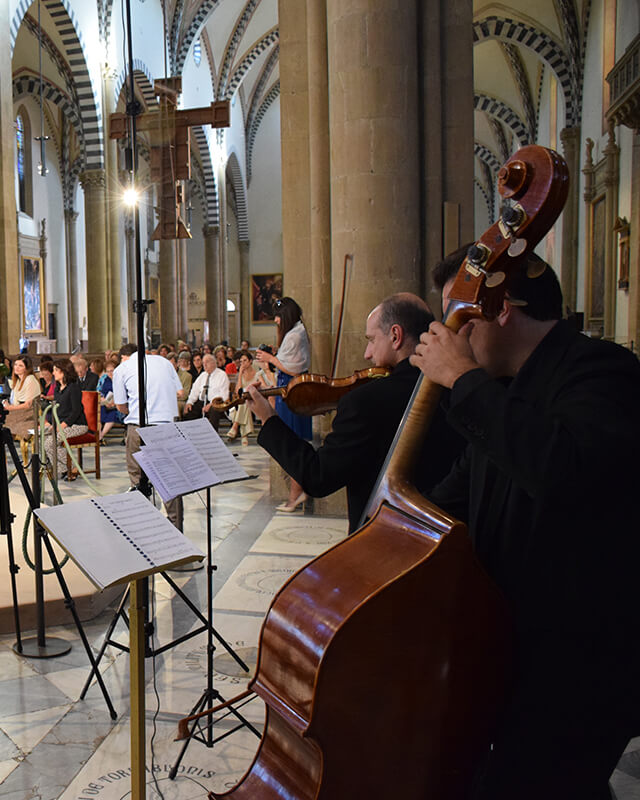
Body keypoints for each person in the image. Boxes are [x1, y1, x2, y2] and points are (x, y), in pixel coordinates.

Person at [411, 253, 640, 799]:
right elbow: (452, 500)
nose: (448, 336)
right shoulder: (508, 392)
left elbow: (559, 468)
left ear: (500, 310)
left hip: (580, 664)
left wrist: (462, 377)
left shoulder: (603, 371)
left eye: (456, 320)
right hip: (516, 653)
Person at [248, 294, 462, 530]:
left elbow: (318, 477)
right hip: (447, 534)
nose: (367, 354)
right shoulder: (454, 388)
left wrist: (268, 419)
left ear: (395, 336)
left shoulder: (366, 401)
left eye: (371, 340)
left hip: (383, 537)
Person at [113, 342, 185, 529]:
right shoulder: (164, 362)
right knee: (170, 479)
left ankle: (144, 527)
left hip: (138, 426)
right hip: (167, 426)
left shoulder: (123, 369)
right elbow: (180, 391)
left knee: (137, 478)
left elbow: (120, 406)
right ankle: (175, 527)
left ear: (124, 357)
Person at [254, 296, 311, 509]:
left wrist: (270, 359)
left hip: (291, 389)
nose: (276, 321)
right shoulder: (295, 332)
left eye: (277, 317)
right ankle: (296, 493)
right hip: (288, 387)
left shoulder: (295, 335)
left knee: (292, 441)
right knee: (290, 440)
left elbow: (293, 367)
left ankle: (296, 494)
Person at [44, 358, 88, 480]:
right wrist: (51, 424)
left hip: (77, 425)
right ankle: (64, 469)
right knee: (41, 438)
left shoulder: (73, 388)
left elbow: (76, 411)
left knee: (50, 443)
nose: (53, 373)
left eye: (56, 370)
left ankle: (73, 467)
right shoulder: (58, 388)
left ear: (64, 371)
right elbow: (58, 411)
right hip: (62, 424)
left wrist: (63, 425)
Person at [225, 350, 272, 443]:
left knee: (246, 401)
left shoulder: (257, 373)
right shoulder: (241, 374)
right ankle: (244, 435)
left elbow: (263, 385)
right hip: (244, 399)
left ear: (250, 361)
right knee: (245, 402)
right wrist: (240, 375)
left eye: (245, 360)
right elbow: (238, 391)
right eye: (241, 361)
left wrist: (269, 386)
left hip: (255, 398)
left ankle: (235, 426)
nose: (243, 363)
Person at [183, 353, 230, 430]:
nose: (204, 365)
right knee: (189, 411)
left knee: (213, 411)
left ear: (213, 363)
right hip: (202, 401)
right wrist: (189, 402)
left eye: (207, 362)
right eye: (203, 362)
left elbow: (224, 396)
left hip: (216, 403)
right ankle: (190, 434)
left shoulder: (222, 375)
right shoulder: (203, 375)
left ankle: (213, 435)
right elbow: (195, 390)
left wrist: (211, 404)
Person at [97, 355, 123, 442]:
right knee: (99, 411)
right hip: (106, 403)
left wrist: (115, 402)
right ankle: (99, 435)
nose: (110, 373)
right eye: (107, 371)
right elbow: (99, 391)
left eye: (112, 371)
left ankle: (100, 436)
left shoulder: (121, 379)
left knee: (112, 414)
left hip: (118, 405)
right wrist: (102, 399)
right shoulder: (104, 379)